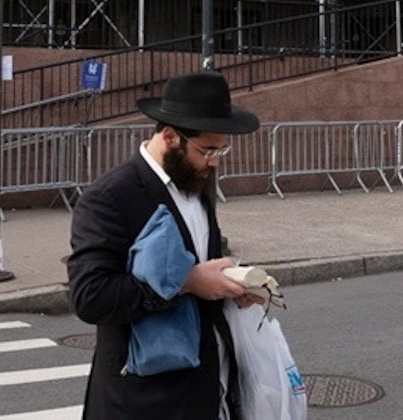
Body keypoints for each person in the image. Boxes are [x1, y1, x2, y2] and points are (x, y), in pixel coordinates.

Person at [67, 70, 264, 419]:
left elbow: (201, 259)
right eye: (208, 149)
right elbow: (90, 296)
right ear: (171, 137)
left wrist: (231, 282)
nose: (215, 160)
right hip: (144, 401)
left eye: (222, 149)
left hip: (205, 387)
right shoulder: (110, 197)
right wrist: (187, 281)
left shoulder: (194, 180)